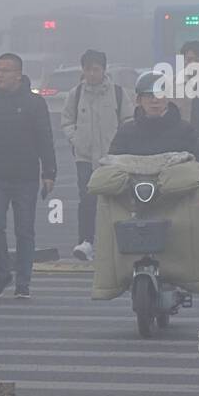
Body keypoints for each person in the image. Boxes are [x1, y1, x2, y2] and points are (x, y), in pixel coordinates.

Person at [0, 53, 56, 299]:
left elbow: (44, 139)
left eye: (5, 70)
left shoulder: (34, 104)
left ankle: (23, 282)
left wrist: (49, 172)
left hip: (25, 178)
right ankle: (2, 274)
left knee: (24, 230)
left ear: (18, 74)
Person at [61, 49, 131, 262]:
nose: (92, 74)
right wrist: (76, 140)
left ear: (104, 69)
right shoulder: (76, 94)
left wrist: (119, 146)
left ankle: (118, 242)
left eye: (96, 69)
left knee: (117, 199)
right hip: (84, 157)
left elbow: (128, 121)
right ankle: (86, 242)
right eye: (87, 69)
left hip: (112, 158)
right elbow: (66, 121)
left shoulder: (118, 93)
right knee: (87, 200)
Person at [109, 70, 198, 157]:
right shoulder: (126, 132)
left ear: (168, 98)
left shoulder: (185, 131)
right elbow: (114, 164)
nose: (154, 100)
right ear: (139, 100)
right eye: (149, 95)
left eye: (159, 94)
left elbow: (195, 164)